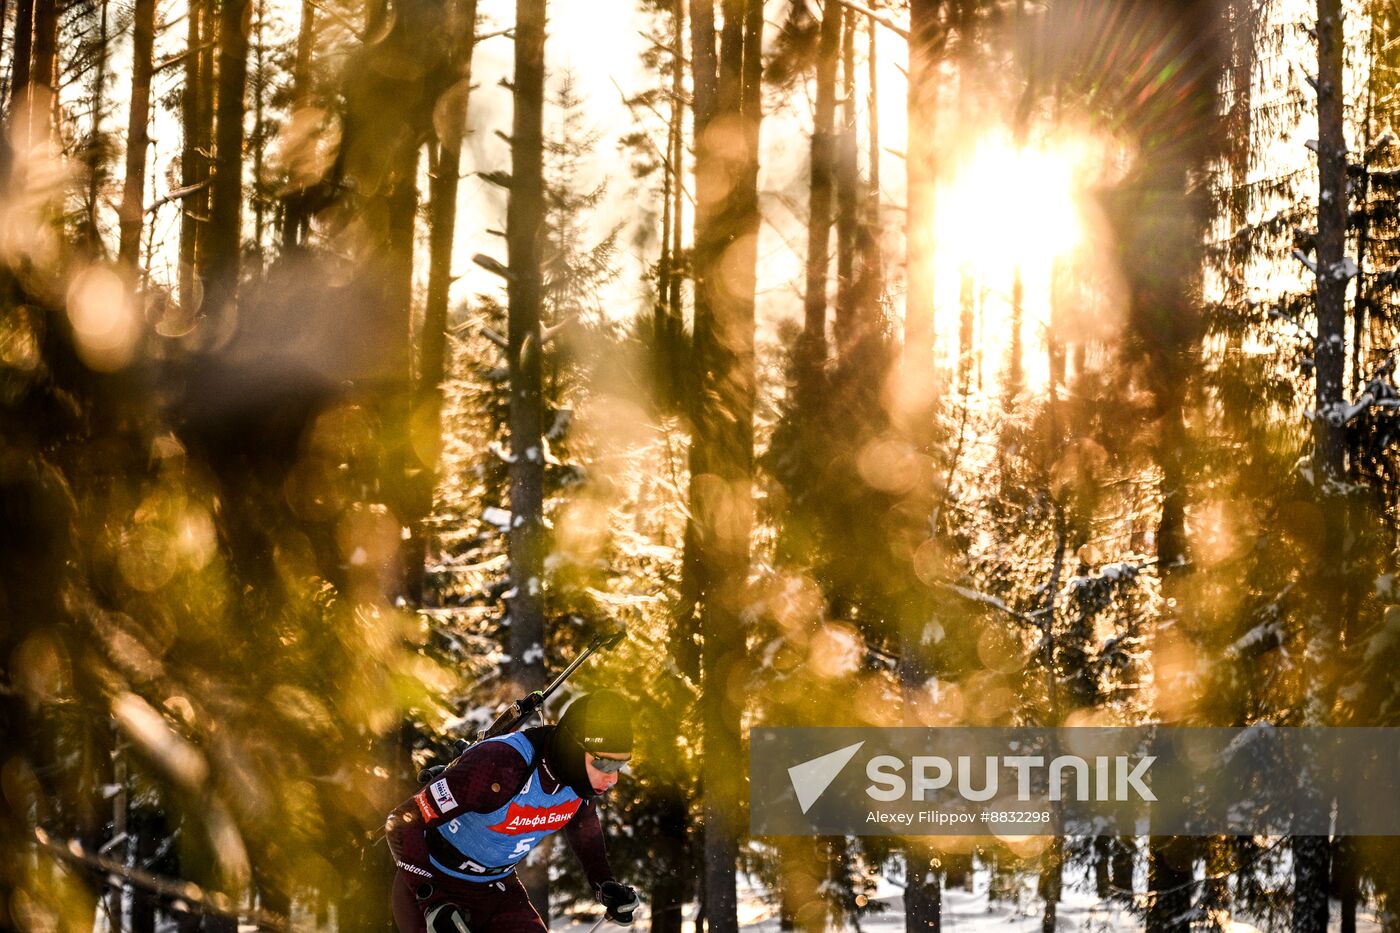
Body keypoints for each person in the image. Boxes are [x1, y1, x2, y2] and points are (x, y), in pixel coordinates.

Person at [386, 690, 641, 933]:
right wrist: (433, 902)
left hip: (496, 889)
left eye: (620, 764)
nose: (613, 778)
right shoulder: (500, 765)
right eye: (605, 763)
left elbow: (585, 831)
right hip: (435, 882)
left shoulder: (578, 784)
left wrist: (604, 884)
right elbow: (401, 821)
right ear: (574, 748)